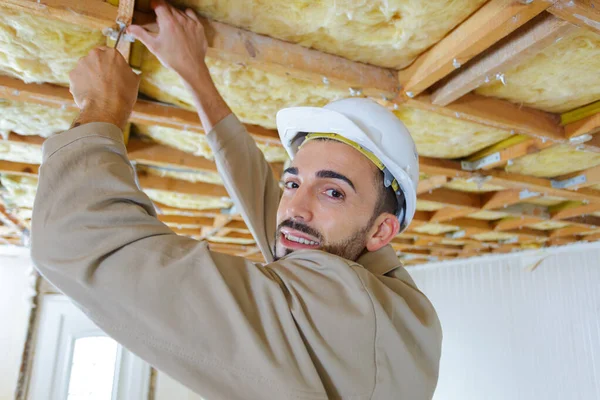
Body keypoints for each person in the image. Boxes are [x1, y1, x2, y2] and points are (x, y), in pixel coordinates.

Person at [31, 1, 442, 398]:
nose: (294, 209)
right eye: (293, 183)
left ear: (381, 229)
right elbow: (275, 212)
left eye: (333, 191)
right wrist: (193, 72)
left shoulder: (337, 312)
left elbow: (73, 239)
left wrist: (103, 106)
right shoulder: (402, 309)